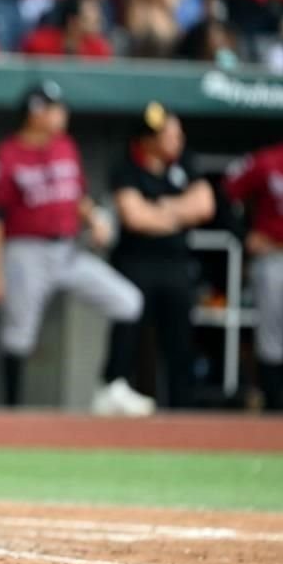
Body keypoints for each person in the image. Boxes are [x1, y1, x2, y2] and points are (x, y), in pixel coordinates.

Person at [0, 81, 147, 414]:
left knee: (129, 303)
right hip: (25, 252)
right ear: (35, 112)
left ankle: (111, 387)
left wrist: (96, 218)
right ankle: (11, 415)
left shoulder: (65, 146)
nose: (61, 114)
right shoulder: (8, 154)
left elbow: (78, 197)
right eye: (53, 108)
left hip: (68, 251)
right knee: (18, 337)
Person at [101, 102, 215, 409]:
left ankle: (182, 408)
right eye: (167, 134)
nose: (175, 140)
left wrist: (161, 210)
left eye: (176, 133)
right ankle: (115, 394)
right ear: (148, 139)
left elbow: (205, 206)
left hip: (176, 265)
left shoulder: (185, 163)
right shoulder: (126, 166)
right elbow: (135, 217)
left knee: (180, 342)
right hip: (135, 263)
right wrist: (179, 211)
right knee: (128, 334)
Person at [224, 109, 283, 410]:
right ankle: (274, 407)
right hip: (277, 258)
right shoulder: (270, 160)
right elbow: (226, 193)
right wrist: (244, 236)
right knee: (271, 337)